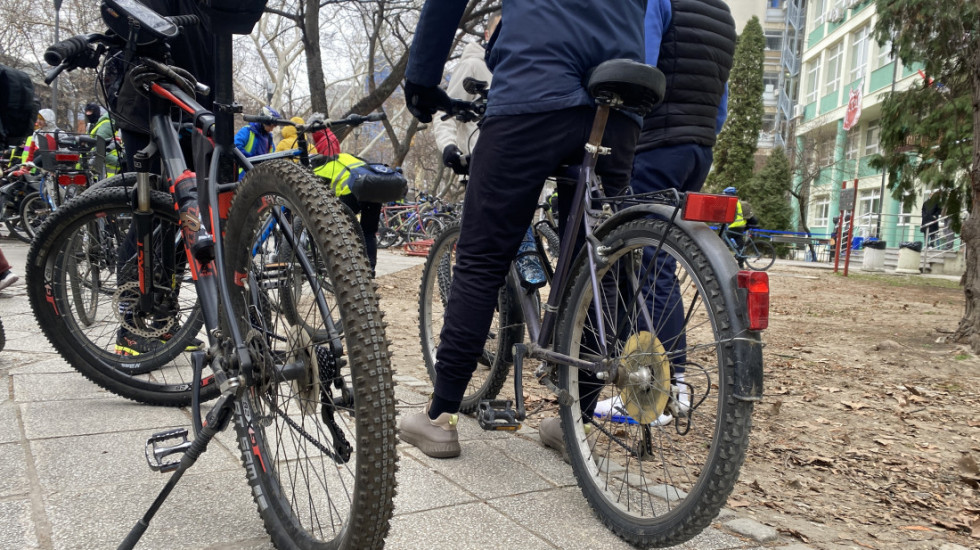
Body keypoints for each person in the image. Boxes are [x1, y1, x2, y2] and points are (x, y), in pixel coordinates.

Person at [397, 0, 649, 458]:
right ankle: (577, 423)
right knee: (594, 264)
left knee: (481, 255)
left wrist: (422, 77)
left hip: (535, 87)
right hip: (621, 96)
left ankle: (440, 416)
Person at [566, 0, 737, 445]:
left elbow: (641, 64)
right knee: (662, 257)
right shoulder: (722, 13)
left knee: (643, 260)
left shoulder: (660, 1)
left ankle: (656, 386)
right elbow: (721, 100)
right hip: (698, 147)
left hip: (657, 140)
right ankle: (671, 381)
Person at [431, 14, 498, 176]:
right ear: (487, 34)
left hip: (514, 166)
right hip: (480, 167)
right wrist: (448, 146)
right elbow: (446, 109)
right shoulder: (473, 65)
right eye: (498, 31)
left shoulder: (516, 72)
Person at [234, 105, 279, 178]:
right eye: (271, 126)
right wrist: (252, 160)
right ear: (264, 122)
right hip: (243, 176)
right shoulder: (247, 131)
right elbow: (235, 148)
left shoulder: (269, 138)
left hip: (259, 176)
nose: (272, 129)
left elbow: (272, 155)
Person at [84, 102, 121, 177]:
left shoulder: (105, 125)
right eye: (87, 112)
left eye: (90, 112)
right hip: (100, 170)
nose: (88, 114)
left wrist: (119, 161)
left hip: (109, 172)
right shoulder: (94, 126)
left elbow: (100, 150)